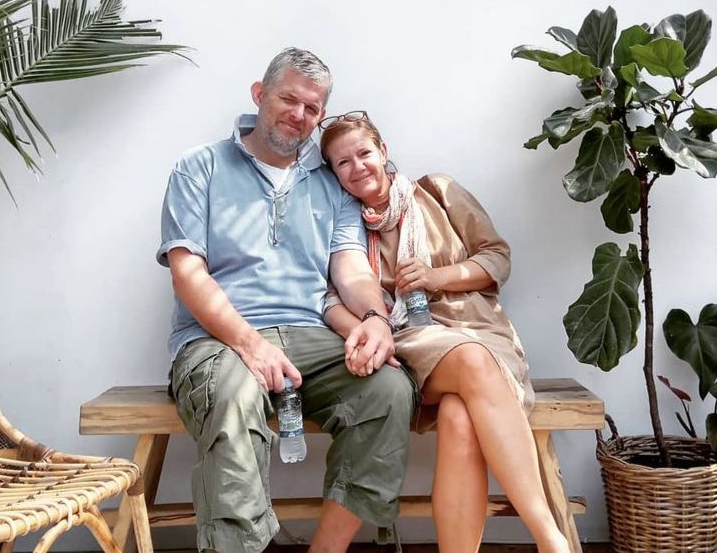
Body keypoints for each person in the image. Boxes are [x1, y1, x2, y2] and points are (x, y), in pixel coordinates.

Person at [157, 52, 416, 553]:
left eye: (311, 108)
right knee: (231, 398)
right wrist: (250, 344)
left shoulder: (331, 183)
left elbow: (351, 269)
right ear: (260, 94)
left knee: (388, 389)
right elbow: (188, 274)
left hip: (311, 338)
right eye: (288, 99)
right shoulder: (199, 167)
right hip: (217, 339)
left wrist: (375, 319)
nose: (299, 114)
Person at [320, 111, 570, 553]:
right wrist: (365, 332)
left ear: (383, 150)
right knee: (472, 360)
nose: (357, 167)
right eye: (343, 162)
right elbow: (329, 298)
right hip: (408, 339)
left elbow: (497, 257)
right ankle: (551, 540)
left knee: (459, 415)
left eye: (364, 153)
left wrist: (438, 277)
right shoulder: (342, 224)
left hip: (480, 328)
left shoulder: (436, 192)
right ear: (333, 173)